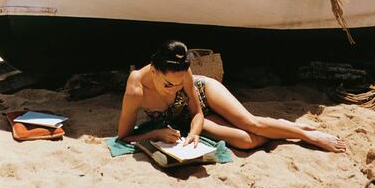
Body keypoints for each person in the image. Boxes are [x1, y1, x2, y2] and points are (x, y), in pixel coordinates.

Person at [117, 40, 346, 152]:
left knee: (251, 123)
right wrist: (156, 132)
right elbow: (124, 136)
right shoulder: (136, 86)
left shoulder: (181, 70)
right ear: (154, 69)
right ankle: (279, 125)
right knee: (247, 141)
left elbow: (197, 109)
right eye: (168, 84)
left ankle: (309, 136)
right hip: (185, 118)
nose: (172, 89)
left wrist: (194, 134)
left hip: (205, 93)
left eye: (177, 85)